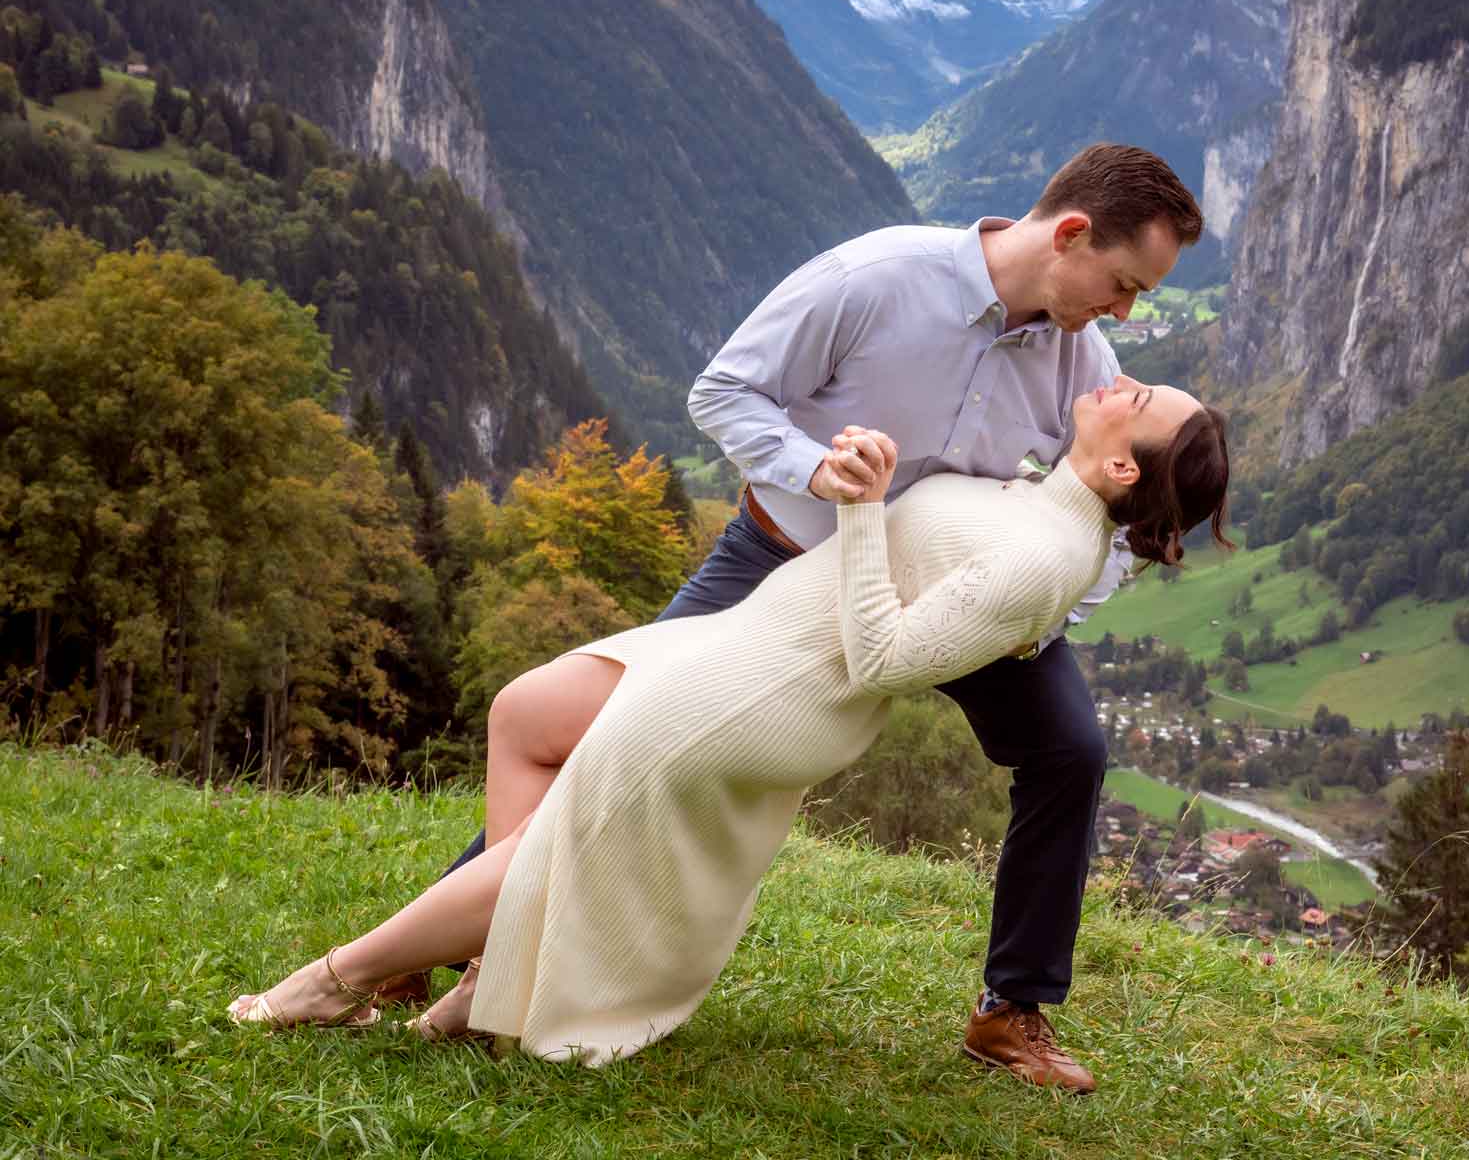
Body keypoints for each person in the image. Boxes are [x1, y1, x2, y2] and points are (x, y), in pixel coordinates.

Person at [426, 141, 1205, 1091]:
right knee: (603, 728)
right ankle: (431, 955)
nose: (1124, 312)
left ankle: (1012, 1014)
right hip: (782, 559)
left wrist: (1036, 616)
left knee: (1069, 751)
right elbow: (722, 392)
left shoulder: (1088, 361)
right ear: (1072, 234)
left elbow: (1115, 517)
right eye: (1124, 284)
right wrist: (813, 471)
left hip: (942, 597)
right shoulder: (876, 278)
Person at [229, 377, 1232, 1082]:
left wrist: (869, 509)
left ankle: (333, 980)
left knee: (564, 829)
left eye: (1139, 402)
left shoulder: (1045, 555)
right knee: (528, 713)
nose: (1121, 379)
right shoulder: (1044, 501)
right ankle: (495, 973)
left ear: (1120, 466)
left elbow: (886, 660)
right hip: (743, 644)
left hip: (770, 690)